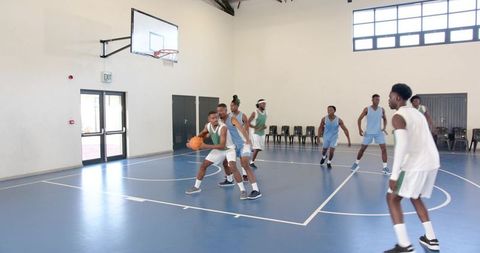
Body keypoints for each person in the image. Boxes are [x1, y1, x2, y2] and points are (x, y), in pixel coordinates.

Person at [384, 83, 440, 253]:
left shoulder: (398, 116)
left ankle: (404, 246)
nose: (389, 100)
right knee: (415, 196)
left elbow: (401, 146)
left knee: (392, 198)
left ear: (398, 98)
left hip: (416, 163)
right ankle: (431, 239)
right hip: (432, 161)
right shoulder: (417, 113)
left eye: (390, 97)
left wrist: (394, 176)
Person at [185, 109, 247, 200]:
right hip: (218, 149)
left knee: (233, 166)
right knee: (204, 165)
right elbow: (201, 135)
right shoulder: (208, 126)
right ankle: (196, 187)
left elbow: (222, 145)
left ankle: (243, 190)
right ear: (209, 119)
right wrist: (192, 142)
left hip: (229, 149)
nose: (215, 120)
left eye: (217, 118)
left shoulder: (223, 127)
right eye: (213, 118)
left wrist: (205, 146)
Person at [226, 95, 262, 199]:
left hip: (243, 144)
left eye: (233, 105)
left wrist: (247, 141)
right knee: (229, 163)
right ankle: (229, 178)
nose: (231, 107)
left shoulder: (242, 116)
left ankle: (255, 189)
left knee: (244, 163)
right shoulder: (228, 117)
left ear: (237, 106)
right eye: (230, 105)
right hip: (233, 145)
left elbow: (246, 129)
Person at [351, 94, 389, 174]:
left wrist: (384, 127)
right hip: (368, 133)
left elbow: (385, 119)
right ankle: (356, 164)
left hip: (378, 133)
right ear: (372, 100)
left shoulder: (382, 109)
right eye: (375, 99)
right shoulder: (367, 109)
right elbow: (359, 119)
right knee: (362, 149)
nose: (377, 101)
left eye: (378, 99)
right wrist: (359, 129)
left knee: (384, 149)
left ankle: (385, 168)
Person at [248, 99, 267, 169]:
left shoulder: (266, 113)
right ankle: (251, 162)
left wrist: (264, 126)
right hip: (254, 132)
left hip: (261, 132)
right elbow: (248, 122)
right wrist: (255, 127)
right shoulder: (254, 113)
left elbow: (262, 122)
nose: (264, 105)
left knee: (259, 149)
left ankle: (250, 150)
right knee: (257, 147)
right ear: (259, 104)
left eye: (265, 104)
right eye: (263, 104)